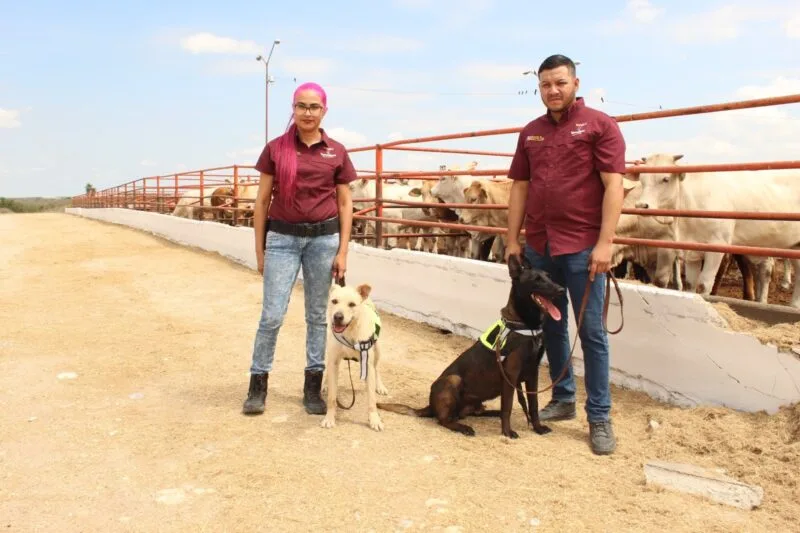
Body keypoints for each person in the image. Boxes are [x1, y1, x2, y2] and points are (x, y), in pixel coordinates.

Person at [505, 55, 626, 455]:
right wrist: (512, 240)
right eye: (545, 85)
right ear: (538, 88)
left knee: (590, 332)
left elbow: (613, 186)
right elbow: (520, 186)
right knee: (551, 326)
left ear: (575, 82)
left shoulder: (599, 125)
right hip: (541, 244)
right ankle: (563, 397)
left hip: (583, 247)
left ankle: (600, 416)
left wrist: (606, 243)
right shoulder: (531, 133)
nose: (552, 91)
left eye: (559, 83)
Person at [242, 81, 357, 417]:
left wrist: (343, 251)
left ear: (324, 111)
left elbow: (345, 202)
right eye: (301, 106)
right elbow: (262, 201)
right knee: (272, 315)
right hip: (282, 239)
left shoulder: (336, 151)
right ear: (293, 109)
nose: (307, 113)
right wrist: (261, 250)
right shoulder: (276, 149)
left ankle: (312, 388)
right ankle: (257, 384)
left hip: (324, 241)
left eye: (314, 107)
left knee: (316, 317)